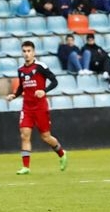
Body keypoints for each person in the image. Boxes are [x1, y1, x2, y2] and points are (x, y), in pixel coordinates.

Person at [6, 41, 67, 175]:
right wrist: (14, 95)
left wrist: (44, 91)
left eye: (29, 51)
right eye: (24, 51)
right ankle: (26, 167)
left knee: (46, 137)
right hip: (27, 108)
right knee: (24, 135)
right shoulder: (21, 70)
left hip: (40, 107)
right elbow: (22, 87)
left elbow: (55, 81)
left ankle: (62, 154)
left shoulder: (40, 67)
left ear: (34, 52)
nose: (26, 54)